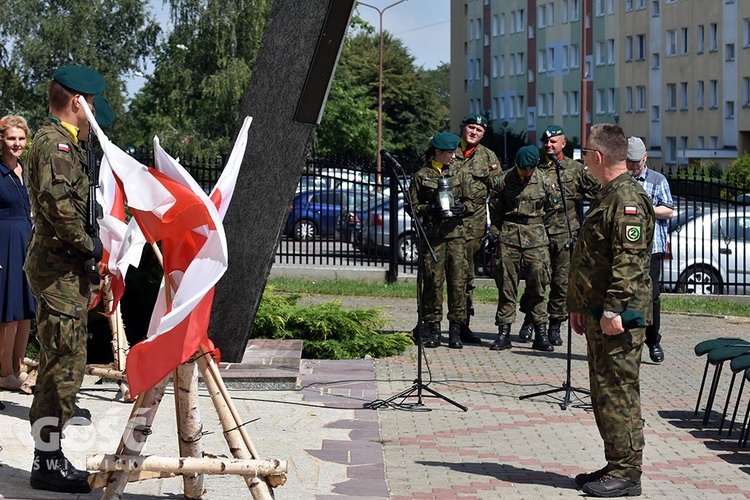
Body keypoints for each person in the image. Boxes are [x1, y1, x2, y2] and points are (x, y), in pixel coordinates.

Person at [24, 64, 106, 494]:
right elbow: (59, 208)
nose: (93, 112)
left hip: (64, 270)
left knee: (65, 365)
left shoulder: (68, 145)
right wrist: (91, 246)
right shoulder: (54, 145)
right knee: (61, 369)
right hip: (57, 270)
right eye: (90, 104)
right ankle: (47, 462)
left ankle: (49, 457)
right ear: (77, 102)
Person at [568, 124, 654, 497]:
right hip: (598, 311)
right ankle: (616, 461)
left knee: (619, 392)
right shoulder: (609, 195)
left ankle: (627, 473)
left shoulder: (627, 200)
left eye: (586, 153)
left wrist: (613, 310)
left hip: (619, 316)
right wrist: (580, 306)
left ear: (599, 157)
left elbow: (629, 262)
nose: (583, 159)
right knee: (604, 392)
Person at [518, 125, 600, 346]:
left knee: (561, 283)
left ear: (563, 144)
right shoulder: (535, 168)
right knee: (536, 281)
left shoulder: (575, 170)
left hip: (565, 235)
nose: (549, 145)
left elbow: (599, 194)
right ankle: (531, 320)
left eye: (554, 141)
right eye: (546, 142)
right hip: (538, 235)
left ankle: (555, 325)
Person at [488, 145, 558, 352]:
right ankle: (504, 333)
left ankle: (541, 333)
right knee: (506, 287)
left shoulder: (545, 181)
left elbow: (553, 210)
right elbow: (495, 208)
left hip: (536, 238)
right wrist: (497, 231)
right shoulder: (503, 180)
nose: (526, 173)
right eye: (522, 169)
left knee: (538, 287)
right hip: (509, 236)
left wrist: (543, 232)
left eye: (529, 169)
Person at [407, 132, 468, 349]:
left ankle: (455, 330)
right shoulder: (421, 176)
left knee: (458, 283)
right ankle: (432, 328)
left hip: (456, 236)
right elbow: (411, 208)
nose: (453, 156)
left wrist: (463, 208)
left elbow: (470, 202)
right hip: (434, 237)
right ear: (438, 152)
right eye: (450, 152)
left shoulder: (459, 172)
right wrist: (429, 209)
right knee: (433, 282)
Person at [452, 114, 500, 344]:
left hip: (473, 227)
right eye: (471, 127)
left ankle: (462, 325)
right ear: (463, 127)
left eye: (479, 130)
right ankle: (428, 324)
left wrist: (496, 226)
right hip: (446, 226)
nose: (474, 132)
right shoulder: (446, 150)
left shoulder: (488, 157)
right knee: (436, 275)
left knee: (467, 277)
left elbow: (497, 193)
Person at [626, 136, 673, 364]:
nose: (634, 167)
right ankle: (627, 340)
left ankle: (653, 341)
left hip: (652, 247)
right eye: (630, 162)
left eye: (637, 162)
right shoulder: (621, 180)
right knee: (626, 293)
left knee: (651, 296)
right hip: (625, 248)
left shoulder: (657, 179)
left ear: (645, 157)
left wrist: (645, 209)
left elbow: (669, 210)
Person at [0, 116, 36, 391]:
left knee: (25, 310)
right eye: (12, 138)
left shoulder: (23, 169)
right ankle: (4, 372)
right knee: (8, 313)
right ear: (1, 140)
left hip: (25, 242)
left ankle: (18, 365)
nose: (17, 143)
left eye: (21, 138)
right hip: (4, 245)